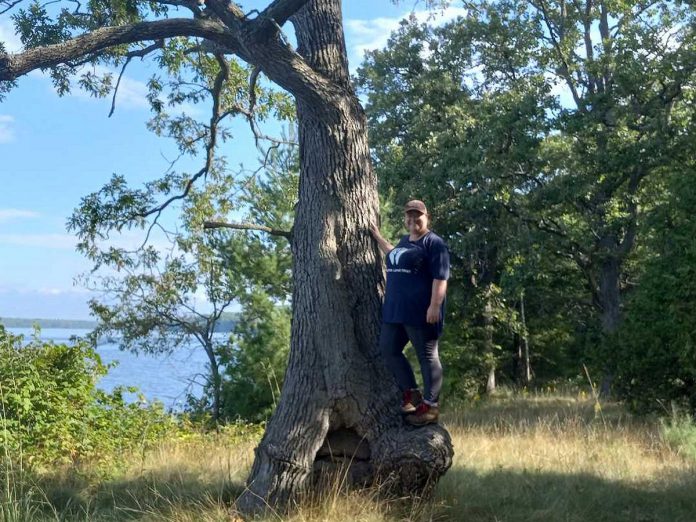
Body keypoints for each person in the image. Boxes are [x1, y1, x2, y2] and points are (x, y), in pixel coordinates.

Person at [370, 200, 450, 426]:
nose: (413, 220)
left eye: (418, 216)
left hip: (421, 312)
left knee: (427, 356)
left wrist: (435, 305)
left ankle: (430, 406)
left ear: (427, 217)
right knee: (388, 349)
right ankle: (412, 393)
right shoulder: (405, 241)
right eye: (409, 216)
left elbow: (440, 277)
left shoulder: (434, 243)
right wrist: (377, 237)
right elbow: (393, 254)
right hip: (395, 311)